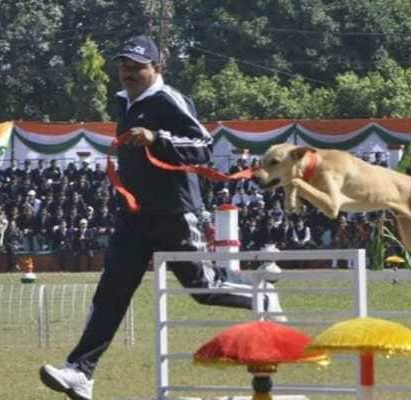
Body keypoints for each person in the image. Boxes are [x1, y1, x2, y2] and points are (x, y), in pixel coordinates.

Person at [39, 35, 284, 400]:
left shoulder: (170, 100)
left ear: (157, 68)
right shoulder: (124, 103)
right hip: (134, 216)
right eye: (124, 65)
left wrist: (156, 137)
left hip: (175, 213)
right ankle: (80, 372)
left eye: (137, 66)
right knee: (111, 294)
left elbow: (202, 147)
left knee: (205, 289)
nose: (128, 72)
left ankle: (261, 294)